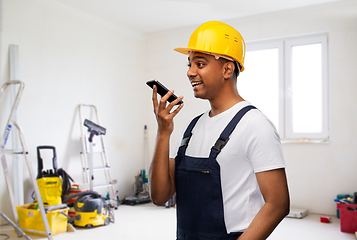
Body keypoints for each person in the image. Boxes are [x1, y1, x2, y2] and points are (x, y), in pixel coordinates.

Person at [149, 21, 290, 240]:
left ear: (227, 69)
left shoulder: (255, 125)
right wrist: (163, 133)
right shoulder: (192, 128)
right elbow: (159, 196)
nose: (190, 72)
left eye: (200, 63)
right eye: (189, 64)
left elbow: (278, 205)